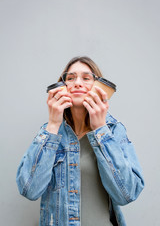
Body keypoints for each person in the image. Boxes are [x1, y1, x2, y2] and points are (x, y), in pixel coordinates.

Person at [16, 56, 144, 226]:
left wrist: (99, 128)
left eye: (86, 78)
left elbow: (127, 194)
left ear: (99, 88)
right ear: (62, 87)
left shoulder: (113, 130)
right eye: (70, 78)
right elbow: (29, 190)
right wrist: (53, 124)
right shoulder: (48, 133)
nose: (77, 83)